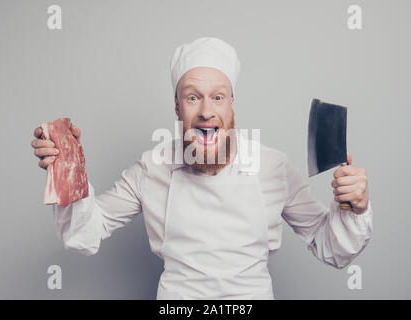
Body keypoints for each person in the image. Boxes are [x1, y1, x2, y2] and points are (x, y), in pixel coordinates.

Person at [31, 37, 373, 300]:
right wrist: (68, 174)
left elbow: (331, 246)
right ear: (177, 108)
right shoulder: (152, 168)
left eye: (218, 97)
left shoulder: (273, 167)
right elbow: (85, 233)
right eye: (193, 97)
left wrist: (353, 208)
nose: (207, 111)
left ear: (233, 105)